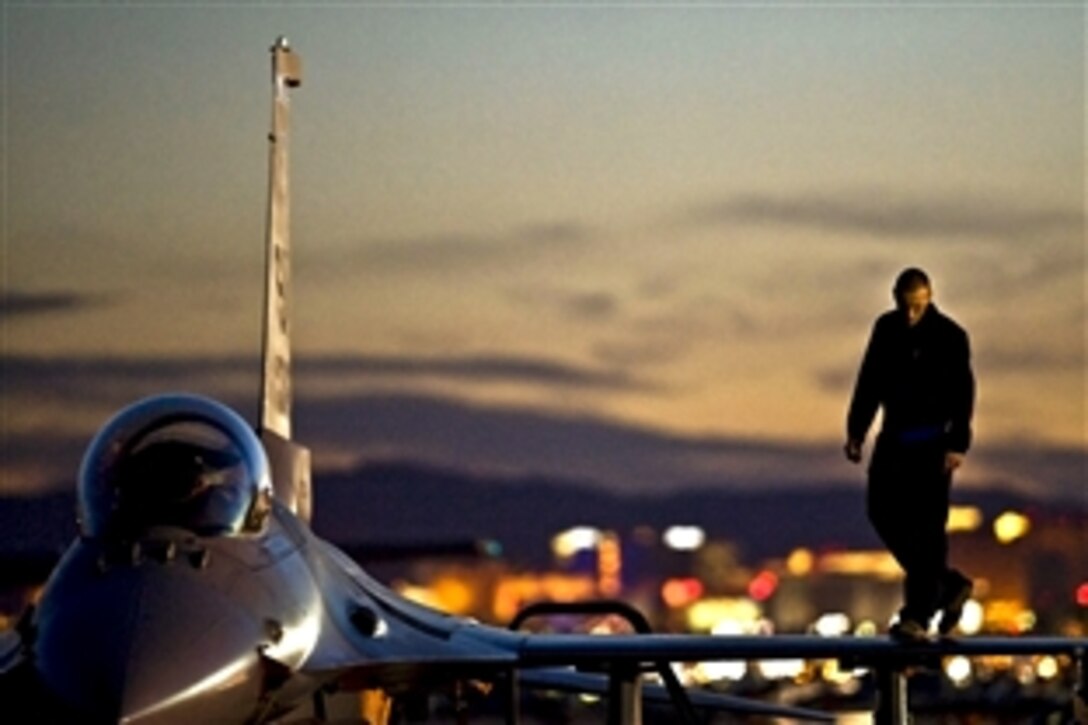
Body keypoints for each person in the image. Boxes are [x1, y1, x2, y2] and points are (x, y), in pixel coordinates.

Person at [844, 267, 975, 641]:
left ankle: (917, 614)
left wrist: (957, 444)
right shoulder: (886, 329)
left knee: (928, 530)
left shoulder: (951, 336)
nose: (910, 315)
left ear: (929, 298)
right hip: (894, 441)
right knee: (881, 512)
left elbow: (964, 393)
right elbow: (869, 380)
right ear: (895, 298)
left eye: (917, 307)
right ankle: (947, 586)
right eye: (905, 307)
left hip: (934, 445)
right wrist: (856, 430)